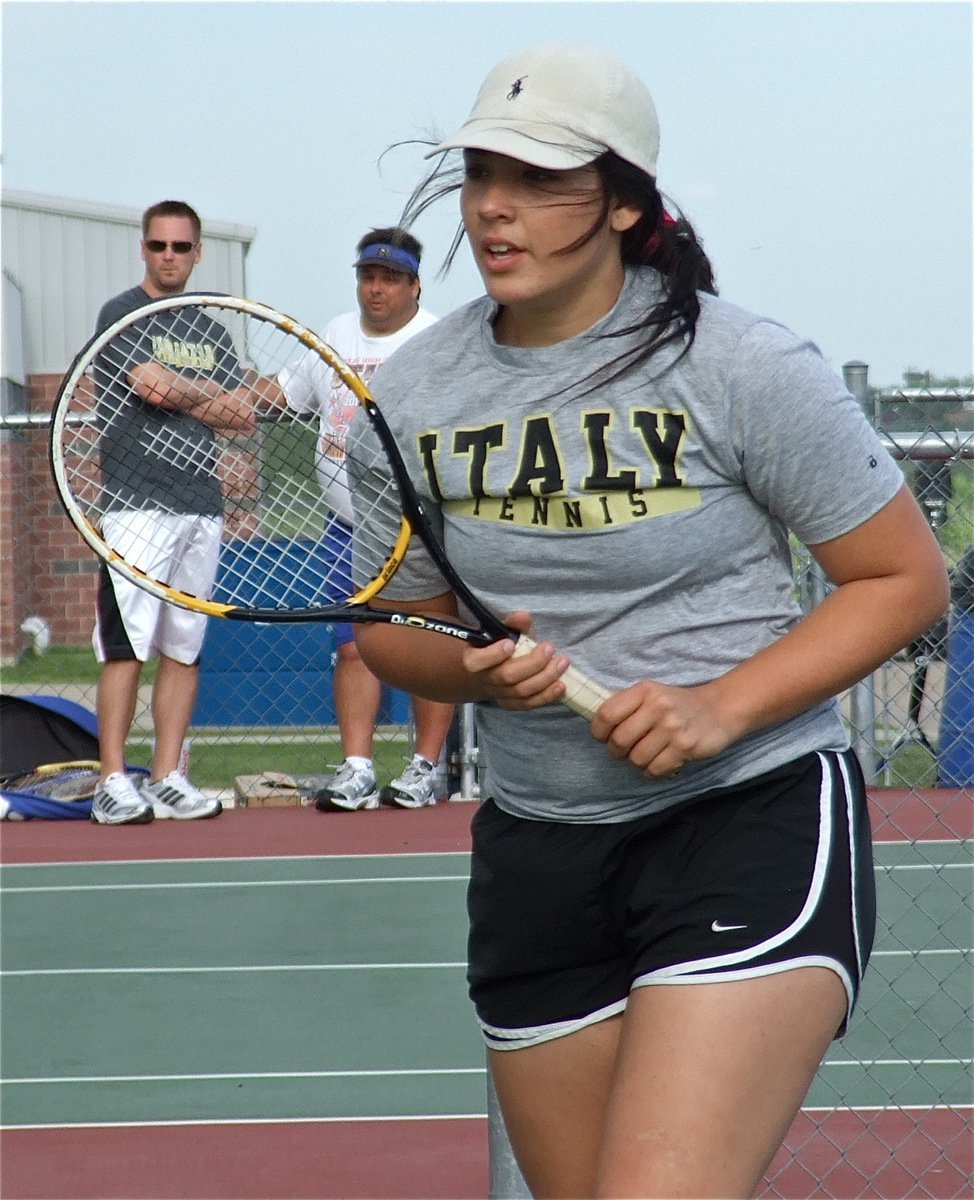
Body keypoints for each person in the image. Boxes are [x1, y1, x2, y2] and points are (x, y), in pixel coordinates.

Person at [349, 45, 951, 1198]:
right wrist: (474, 678)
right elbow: (393, 629)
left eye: (538, 180)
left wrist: (715, 709)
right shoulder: (414, 395)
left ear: (624, 201)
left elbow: (899, 581)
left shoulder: (741, 365)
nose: (493, 209)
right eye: (480, 174)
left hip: (746, 819)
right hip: (539, 846)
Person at [277, 227, 455, 811]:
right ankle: (357, 769)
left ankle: (425, 768)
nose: (376, 289)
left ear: (413, 285)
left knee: (429, 650)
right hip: (347, 528)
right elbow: (280, 396)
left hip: (419, 529)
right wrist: (195, 396)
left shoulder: (436, 341)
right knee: (354, 647)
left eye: (390, 279)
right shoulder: (332, 335)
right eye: (367, 276)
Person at [91, 200, 256, 825]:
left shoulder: (211, 330)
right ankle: (113, 779)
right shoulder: (121, 314)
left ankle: (165, 777)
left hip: (200, 507)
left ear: (196, 253)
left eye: (180, 248)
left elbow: (241, 415)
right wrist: (207, 396)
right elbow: (148, 387)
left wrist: (188, 394)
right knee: (126, 647)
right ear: (143, 249)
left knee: (184, 648)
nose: (169, 257)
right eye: (158, 246)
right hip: (136, 508)